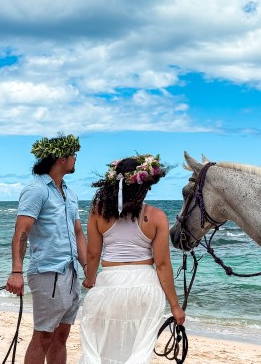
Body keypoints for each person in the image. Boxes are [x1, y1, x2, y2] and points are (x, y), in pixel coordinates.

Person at [79, 154, 185, 364]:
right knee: (138, 352)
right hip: (145, 287)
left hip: (109, 284)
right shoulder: (156, 216)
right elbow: (162, 265)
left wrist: (90, 279)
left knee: (99, 348)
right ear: (143, 186)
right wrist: (175, 305)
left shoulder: (98, 212)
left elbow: (93, 254)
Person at [6, 134, 88, 364]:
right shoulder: (37, 190)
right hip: (47, 272)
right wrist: (16, 271)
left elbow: (78, 233)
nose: (75, 159)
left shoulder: (69, 193)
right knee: (43, 335)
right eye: (73, 155)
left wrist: (88, 268)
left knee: (61, 336)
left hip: (70, 273)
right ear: (60, 158)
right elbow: (21, 232)